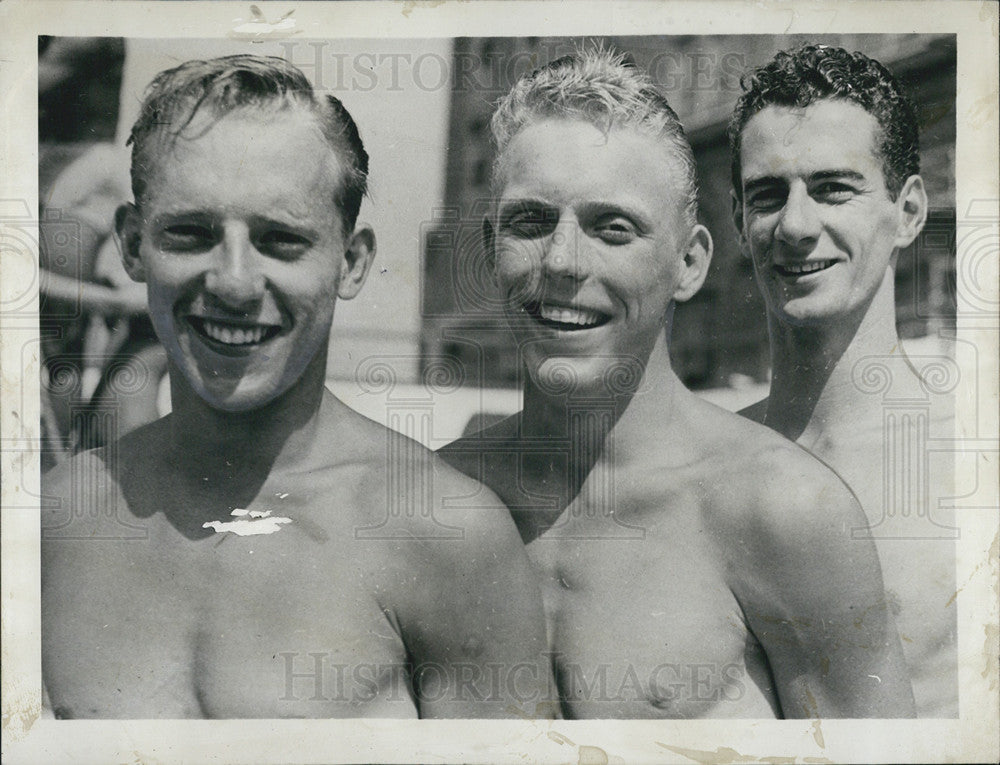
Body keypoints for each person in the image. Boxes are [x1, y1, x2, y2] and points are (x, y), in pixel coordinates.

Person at [41, 54, 554, 719]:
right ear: (135, 245)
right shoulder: (55, 521)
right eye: (190, 233)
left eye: (280, 239)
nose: (231, 281)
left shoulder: (443, 534)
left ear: (352, 259)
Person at [440, 49, 914, 720]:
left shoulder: (781, 510)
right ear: (491, 248)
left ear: (689, 262)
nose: (563, 261)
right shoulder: (430, 506)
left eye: (613, 228)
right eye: (531, 221)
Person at [729, 44, 957, 716]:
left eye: (833, 188)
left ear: (908, 212)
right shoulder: (706, 462)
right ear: (740, 218)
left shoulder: (974, 455)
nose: (796, 225)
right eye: (768, 195)